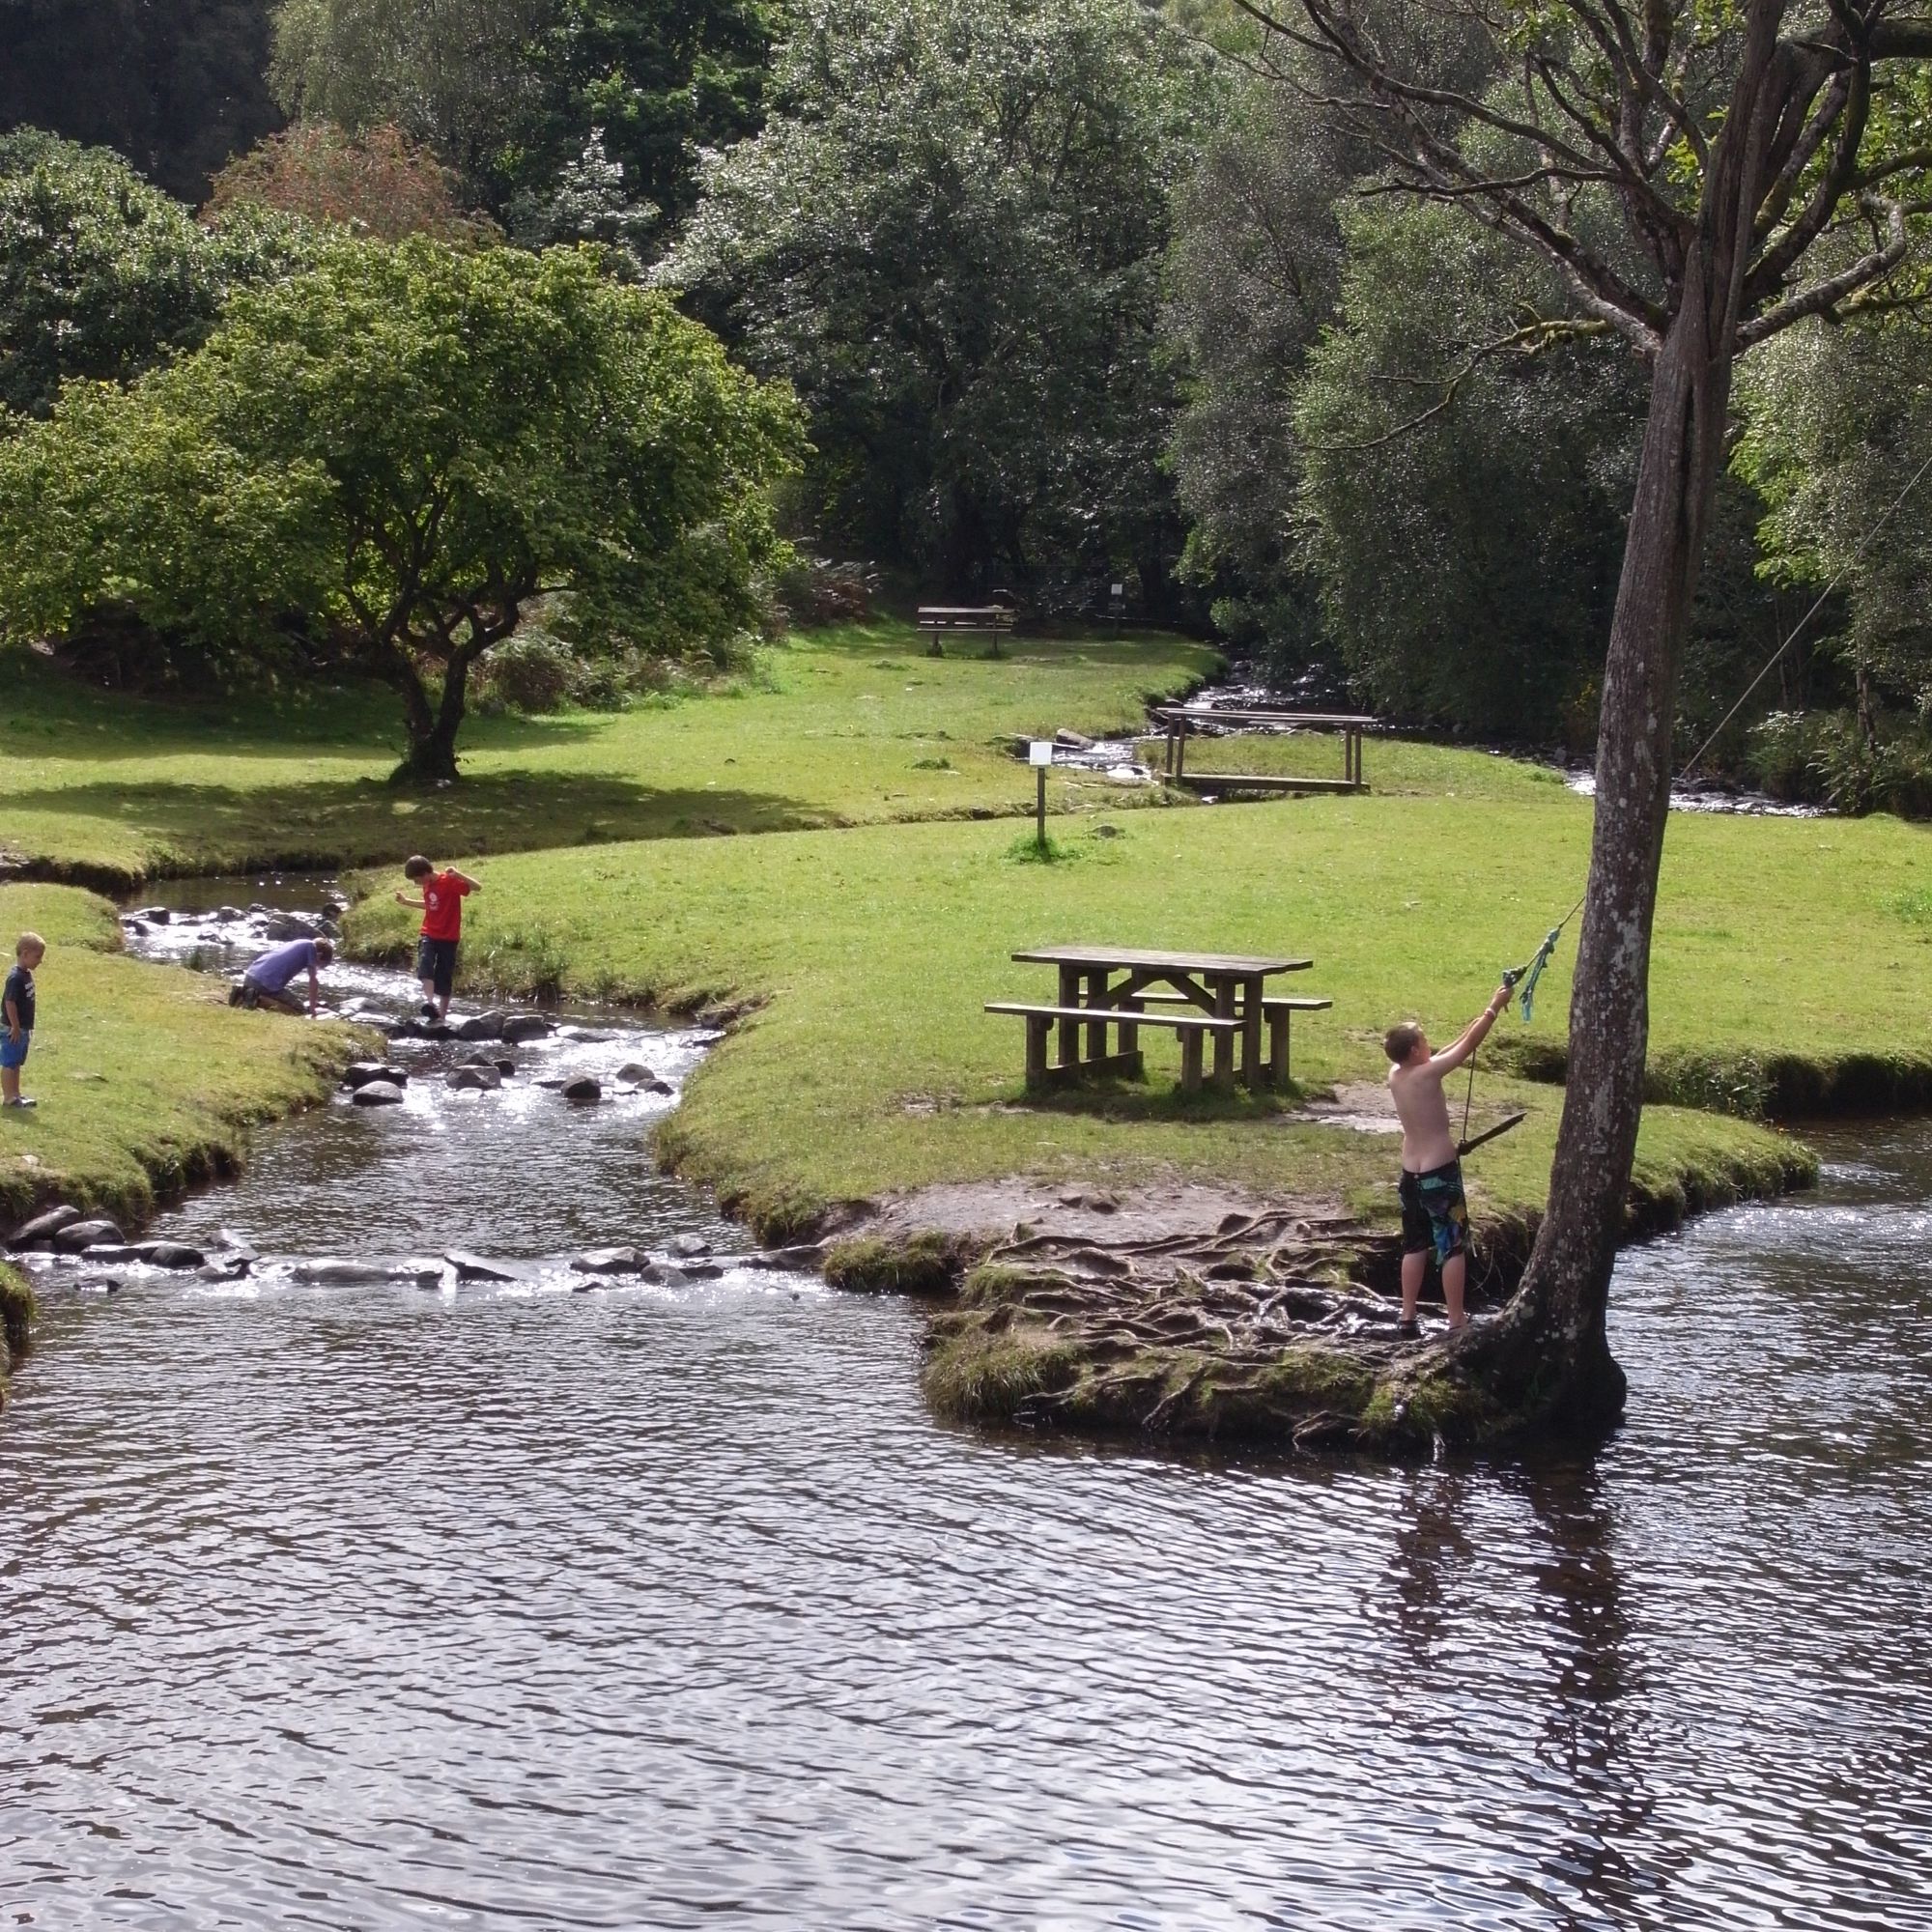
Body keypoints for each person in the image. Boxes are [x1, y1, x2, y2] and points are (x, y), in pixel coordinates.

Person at [1384, 980, 1514, 1337]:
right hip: (1439, 1171)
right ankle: (1456, 1320)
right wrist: (1493, 1008)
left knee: (1415, 1244)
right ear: (1413, 1052)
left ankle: (1407, 1316)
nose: (1429, 1044)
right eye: (1424, 1040)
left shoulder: (1397, 1075)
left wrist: (1476, 1019)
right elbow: (1468, 1047)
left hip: (1410, 1172)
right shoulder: (1427, 1072)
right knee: (1451, 1246)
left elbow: (1450, 1049)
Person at [396, 855, 479, 1021]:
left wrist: (458, 874)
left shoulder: (448, 881)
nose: (415, 883)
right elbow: (430, 905)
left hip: (449, 936)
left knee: (444, 974)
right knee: (425, 963)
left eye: (416, 879)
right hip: (430, 932)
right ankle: (429, 1003)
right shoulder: (427, 884)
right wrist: (406, 902)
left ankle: (441, 1017)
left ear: (426, 873)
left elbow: (477, 887)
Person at [233, 936, 334, 1015]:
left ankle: (247, 993)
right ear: (319, 955)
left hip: (251, 975)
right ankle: (255, 999)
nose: (317, 968)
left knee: (284, 999)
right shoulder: (311, 948)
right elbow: (313, 981)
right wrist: (312, 1008)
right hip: (265, 983)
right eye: (320, 965)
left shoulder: (300, 942)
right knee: (299, 1010)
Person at [3, 931, 45, 1110]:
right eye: (38, 957)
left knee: (17, 1062)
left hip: (22, 1028)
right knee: (9, 1062)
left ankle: (16, 1094)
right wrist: (15, 1025)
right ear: (25, 953)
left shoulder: (25, 974)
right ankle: (8, 1097)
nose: (40, 961)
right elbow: (9, 1002)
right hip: (13, 1028)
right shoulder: (15, 978)